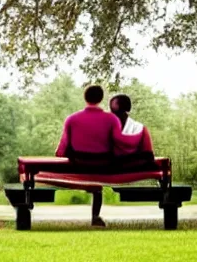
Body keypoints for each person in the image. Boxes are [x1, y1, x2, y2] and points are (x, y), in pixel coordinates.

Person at [55, 84, 122, 227]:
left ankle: (95, 214)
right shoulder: (112, 119)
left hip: (79, 164)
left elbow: (62, 149)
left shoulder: (72, 119)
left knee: (90, 175)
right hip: (103, 166)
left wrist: (62, 155)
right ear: (101, 98)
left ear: (85, 98)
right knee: (97, 184)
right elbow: (119, 145)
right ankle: (95, 216)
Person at [109, 94, 154, 160]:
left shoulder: (140, 128)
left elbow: (148, 155)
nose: (113, 114)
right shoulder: (107, 129)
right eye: (112, 111)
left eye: (117, 111)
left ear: (126, 110)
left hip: (135, 167)